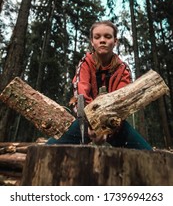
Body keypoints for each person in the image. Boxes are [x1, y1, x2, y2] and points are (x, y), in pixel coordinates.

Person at [47, 20, 152, 150]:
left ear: (115, 41)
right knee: (49, 148)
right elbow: (80, 94)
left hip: (115, 125)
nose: (102, 40)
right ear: (92, 42)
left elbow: (123, 102)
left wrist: (106, 128)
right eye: (97, 37)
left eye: (108, 37)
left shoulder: (123, 69)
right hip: (84, 124)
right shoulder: (84, 63)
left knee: (148, 152)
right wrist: (92, 124)